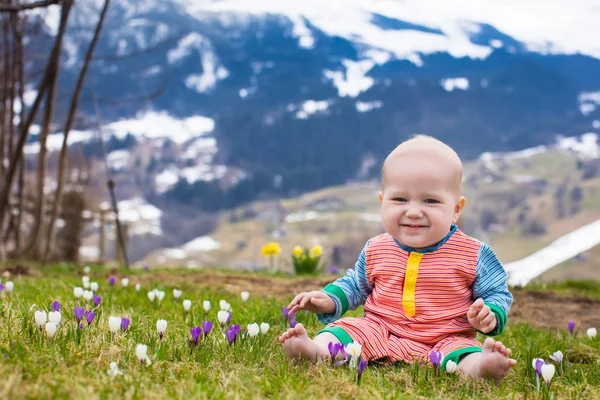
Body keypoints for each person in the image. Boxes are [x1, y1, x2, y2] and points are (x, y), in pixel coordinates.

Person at [278, 134, 516, 384]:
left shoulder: (473, 254)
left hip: (445, 338)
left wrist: (490, 313)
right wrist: (327, 299)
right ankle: (316, 351)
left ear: (456, 209)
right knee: (345, 331)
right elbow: (356, 286)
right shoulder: (376, 248)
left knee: (463, 354)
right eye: (400, 199)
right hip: (380, 330)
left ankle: (481, 369)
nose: (413, 211)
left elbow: (497, 293)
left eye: (431, 201)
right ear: (383, 202)